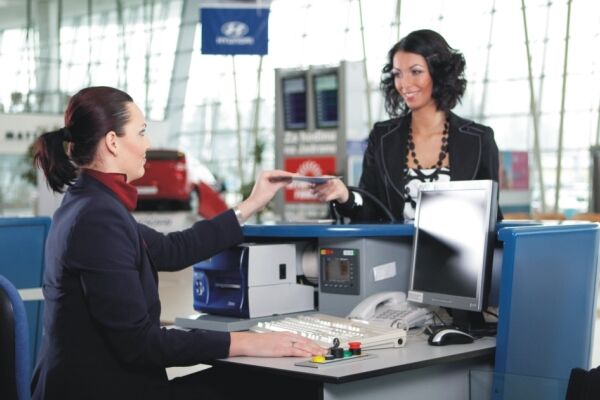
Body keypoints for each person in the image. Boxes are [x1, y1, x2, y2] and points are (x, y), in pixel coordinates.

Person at [30, 86, 324, 400]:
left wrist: (250, 204)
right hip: (105, 390)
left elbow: (172, 250)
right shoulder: (98, 218)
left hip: (99, 383)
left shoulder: (88, 203)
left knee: (258, 379)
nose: (148, 144)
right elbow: (140, 344)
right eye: (141, 132)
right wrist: (247, 342)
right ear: (112, 142)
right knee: (284, 384)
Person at [313, 29, 502, 222]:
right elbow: (370, 209)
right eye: (398, 74)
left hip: (458, 243)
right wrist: (345, 195)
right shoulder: (382, 137)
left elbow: (491, 215)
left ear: (439, 73)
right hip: (394, 243)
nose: (404, 83)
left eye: (416, 72)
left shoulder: (479, 140)